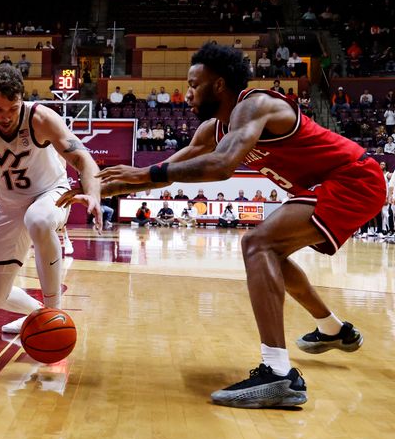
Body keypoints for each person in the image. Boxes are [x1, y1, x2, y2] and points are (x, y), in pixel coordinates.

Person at [60, 43, 385, 408]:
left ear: (218, 85)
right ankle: (332, 329)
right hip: (326, 185)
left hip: (354, 178)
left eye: (194, 85)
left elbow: (223, 166)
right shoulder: (211, 131)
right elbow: (163, 175)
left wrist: (141, 173)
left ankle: (279, 376)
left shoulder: (256, 104)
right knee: (269, 253)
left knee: (257, 244)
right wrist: (97, 188)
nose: (188, 95)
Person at [0, 65, 101, 335]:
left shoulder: (40, 118)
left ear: (22, 100)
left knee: (39, 218)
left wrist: (93, 193)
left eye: (13, 108)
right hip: (9, 206)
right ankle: (40, 315)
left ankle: (55, 312)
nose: (6, 117)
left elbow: (82, 159)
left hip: (51, 193)